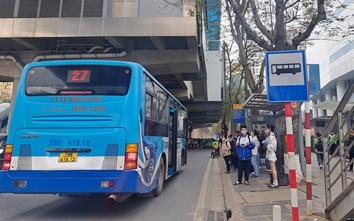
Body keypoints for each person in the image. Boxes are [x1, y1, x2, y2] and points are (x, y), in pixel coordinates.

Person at [264, 123, 278, 189]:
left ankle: (275, 183)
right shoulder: (270, 136)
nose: (266, 130)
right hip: (271, 154)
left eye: (266, 128)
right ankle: (274, 182)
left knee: (273, 169)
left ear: (269, 129)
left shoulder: (271, 136)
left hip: (272, 154)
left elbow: (272, 147)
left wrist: (267, 145)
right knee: (272, 169)